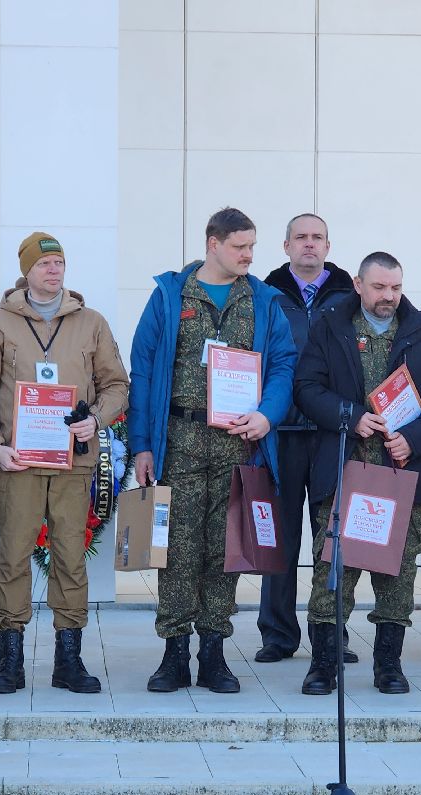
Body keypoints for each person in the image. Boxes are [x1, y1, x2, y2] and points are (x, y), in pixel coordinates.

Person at [128, 207, 297, 694]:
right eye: (240, 246)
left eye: (252, 247)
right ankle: (173, 654)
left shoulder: (263, 300)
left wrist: (267, 414)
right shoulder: (170, 296)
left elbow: (283, 365)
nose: (248, 255)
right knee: (176, 550)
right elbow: (143, 372)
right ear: (213, 243)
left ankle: (215, 654)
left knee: (227, 549)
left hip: (239, 445)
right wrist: (141, 445)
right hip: (179, 439)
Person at [294, 251, 421, 695]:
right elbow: (307, 387)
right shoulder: (330, 327)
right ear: (358, 284)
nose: (389, 296)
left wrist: (416, 437)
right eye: (380, 287)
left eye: (396, 288)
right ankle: (323, 664)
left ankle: (389, 664)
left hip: (401, 469)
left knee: (397, 571)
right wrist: (350, 416)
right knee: (334, 568)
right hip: (346, 466)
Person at [0, 233, 130, 694]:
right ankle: (10, 660)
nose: (54, 270)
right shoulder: (0, 323)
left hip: (72, 462)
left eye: (59, 262)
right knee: (14, 556)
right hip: (17, 461)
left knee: (70, 557)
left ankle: (69, 660)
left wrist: (95, 421)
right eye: (44, 264)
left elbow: (117, 386)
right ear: (27, 271)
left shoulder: (91, 323)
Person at [255, 214, 356, 665]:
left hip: (333, 433)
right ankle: (277, 634)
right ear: (286, 246)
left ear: (328, 246)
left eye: (317, 238)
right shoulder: (264, 294)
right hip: (280, 433)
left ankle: (331, 636)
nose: (309, 245)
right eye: (301, 238)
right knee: (279, 537)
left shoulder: (350, 296)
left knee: (332, 538)